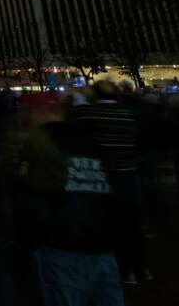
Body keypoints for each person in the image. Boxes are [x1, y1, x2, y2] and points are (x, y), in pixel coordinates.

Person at [16, 99, 123, 306]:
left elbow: (28, 196)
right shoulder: (90, 141)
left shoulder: (39, 144)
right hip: (102, 245)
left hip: (62, 247)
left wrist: (31, 239)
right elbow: (112, 186)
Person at [71, 80, 147, 285]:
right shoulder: (127, 116)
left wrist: (80, 99)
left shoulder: (91, 114)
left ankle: (124, 270)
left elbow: (76, 120)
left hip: (105, 177)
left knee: (113, 224)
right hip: (128, 175)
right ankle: (140, 266)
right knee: (132, 222)